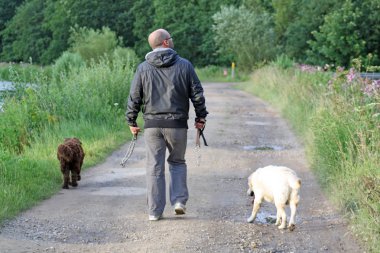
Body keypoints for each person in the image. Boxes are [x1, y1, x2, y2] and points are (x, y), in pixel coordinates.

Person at [126, 28, 208, 221]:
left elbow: (134, 96)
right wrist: (201, 117)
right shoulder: (185, 66)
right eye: (170, 38)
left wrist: (131, 120)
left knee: (154, 167)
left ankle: (154, 212)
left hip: (152, 126)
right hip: (177, 125)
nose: (172, 40)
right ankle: (179, 201)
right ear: (164, 43)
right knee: (177, 162)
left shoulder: (143, 68)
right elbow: (197, 94)